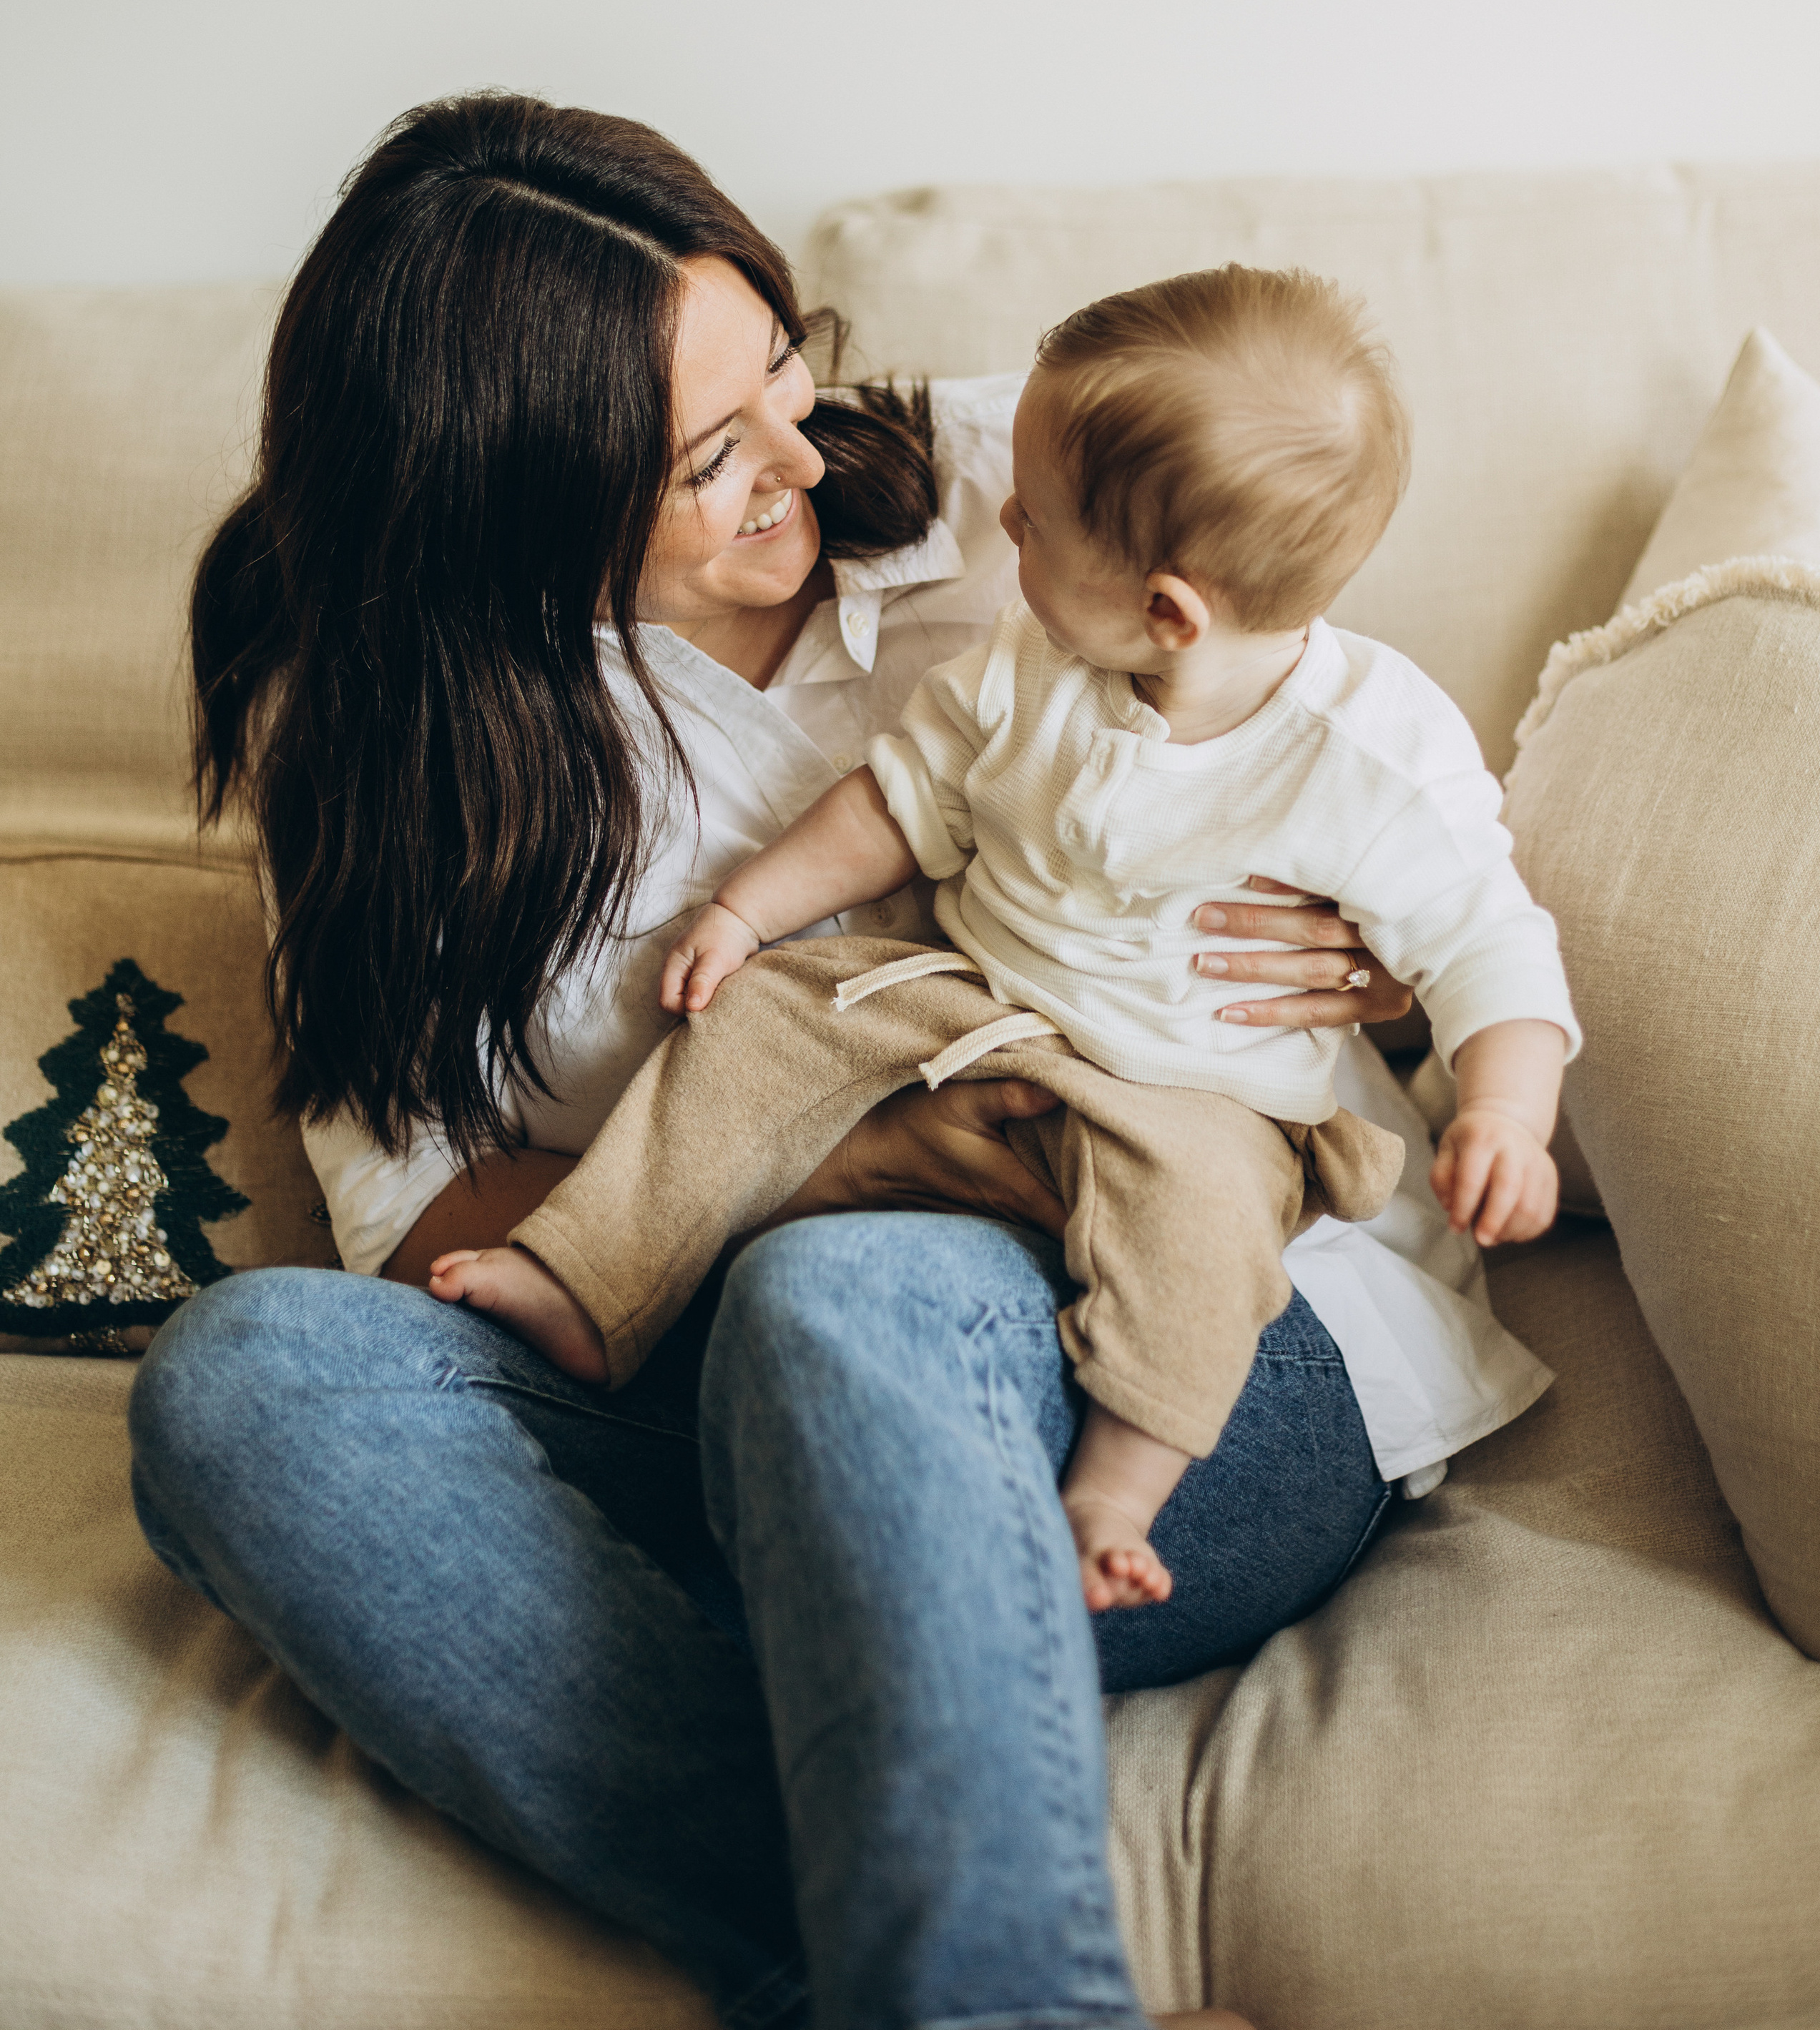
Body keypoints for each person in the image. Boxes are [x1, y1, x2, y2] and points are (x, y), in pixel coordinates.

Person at [127, 94, 1553, 2030]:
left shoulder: (1026, 483)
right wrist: (834, 1162)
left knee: (850, 1289)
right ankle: (939, 1946)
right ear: (511, 503)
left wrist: (1390, 986)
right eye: (711, 457)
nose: (800, 459)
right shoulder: (377, 750)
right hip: (694, 1374)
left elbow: (1353, 778)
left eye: (783, 373)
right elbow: (417, 1216)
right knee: (246, 1381)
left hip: (1193, 1342)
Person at [429, 266, 1577, 1610]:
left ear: (1168, 611)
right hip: (969, 999)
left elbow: (1492, 944)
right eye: (711, 455)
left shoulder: (1372, 756)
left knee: (1202, 1239)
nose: (1004, 520)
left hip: (1197, 1095)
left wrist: (1505, 1114)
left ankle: (1115, 1494)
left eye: (1032, 523)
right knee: (760, 1020)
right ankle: (590, 1278)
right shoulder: (1038, 663)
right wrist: (747, 912)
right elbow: (897, 804)